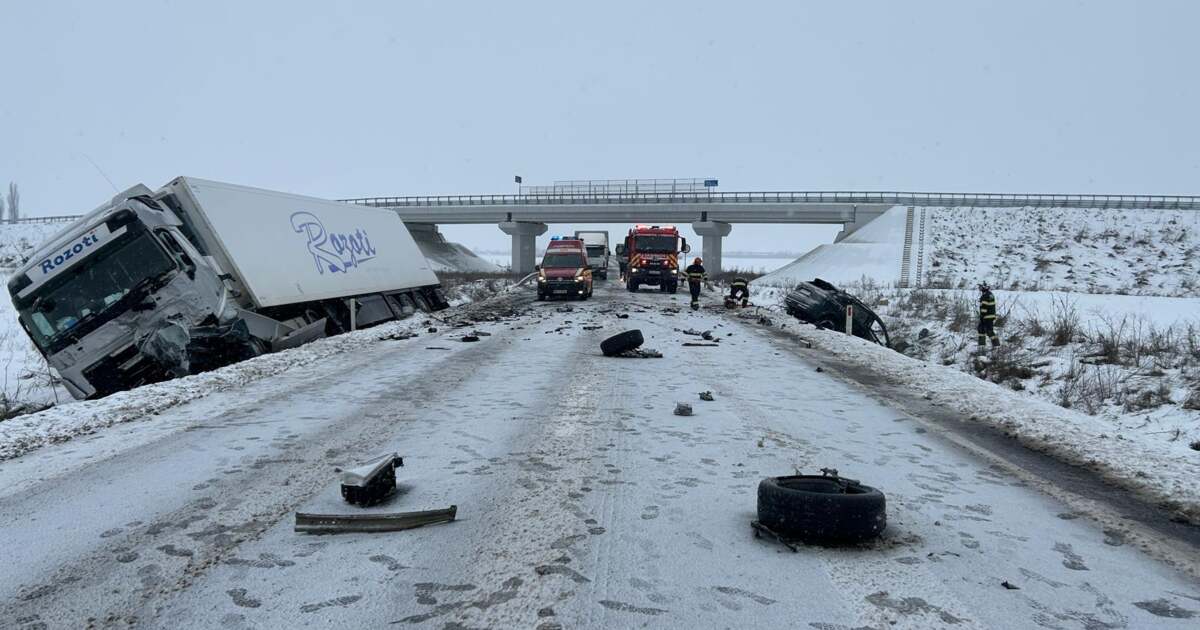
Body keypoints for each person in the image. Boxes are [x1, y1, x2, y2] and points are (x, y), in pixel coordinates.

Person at [977, 283, 999, 349]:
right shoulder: (990, 294)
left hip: (986, 316)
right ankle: (982, 345)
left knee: (988, 330)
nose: (980, 288)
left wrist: (982, 316)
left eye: (981, 287)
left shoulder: (985, 296)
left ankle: (996, 345)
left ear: (984, 288)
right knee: (981, 329)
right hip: (990, 315)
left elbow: (984, 307)